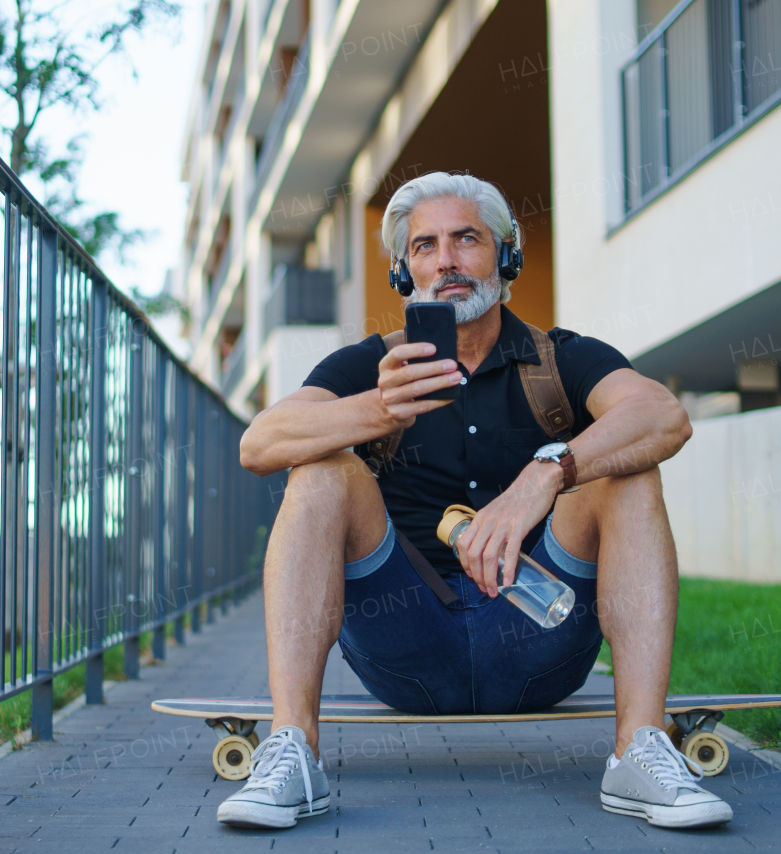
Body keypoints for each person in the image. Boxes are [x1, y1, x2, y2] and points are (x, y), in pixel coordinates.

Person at [215, 172, 732, 831]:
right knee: (318, 470)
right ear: (405, 271)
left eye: (467, 239)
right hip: (404, 644)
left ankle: (638, 750)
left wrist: (550, 470)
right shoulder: (371, 368)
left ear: (506, 254)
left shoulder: (562, 359)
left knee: (625, 471)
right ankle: (293, 753)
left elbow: (664, 417)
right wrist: (374, 410)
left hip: (542, 632)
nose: (448, 261)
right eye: (425, 246)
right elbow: (260, 443)